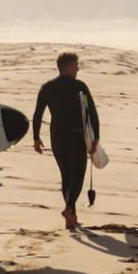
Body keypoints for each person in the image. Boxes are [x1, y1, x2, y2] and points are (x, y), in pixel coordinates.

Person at [32, 52, 100, 230]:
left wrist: (36, 137)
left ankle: (71, 217)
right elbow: (91, 112)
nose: (78, 68)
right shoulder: (79, 87)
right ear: (68, 67)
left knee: (66, 176)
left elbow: (38, 114)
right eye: (76, 65)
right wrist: (96, 138)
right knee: (77, 176)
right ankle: (69, 208)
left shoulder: (47, 87)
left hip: (57, 138)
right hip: (77, 137)